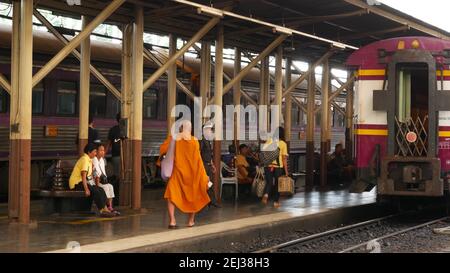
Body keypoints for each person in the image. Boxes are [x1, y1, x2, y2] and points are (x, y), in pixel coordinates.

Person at [160, 120, 210, 229]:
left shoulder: (174, 138)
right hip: (192, 173)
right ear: (190, 128)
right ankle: (191, 221)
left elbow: (165, 151)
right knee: (193, 196)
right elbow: (198, 159)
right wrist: (204, 174)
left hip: (178, 172)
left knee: (171, 195)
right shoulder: (195, 140)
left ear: (181, 128)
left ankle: (172, 220)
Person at [69, 143, 114, 217]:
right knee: (95, 191)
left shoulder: (89, 160)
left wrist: (93, 170)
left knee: (100, 189)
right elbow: (83, 176)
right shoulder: (84, 160)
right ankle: (102, 210)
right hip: (76, 183)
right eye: (95, 152)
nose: (96, 153)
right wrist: (86, 189)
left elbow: (89, 176)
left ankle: (105, 209)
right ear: (89, 152)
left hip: (82, 182)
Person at [261, 127, 289, 208]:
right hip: (278, 167)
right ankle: (276, 202)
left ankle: (266, 194)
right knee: (277, 184)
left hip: (268, 166)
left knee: (269, 182)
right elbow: (284, 159)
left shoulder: (269, 141)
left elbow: (263, 154)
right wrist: (286, 171)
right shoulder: (283, 144)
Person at [93, 143, 119, 215]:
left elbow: (103, 172)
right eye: (100, 150)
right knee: (105, 188)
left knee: (110, 186)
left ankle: (110, 207)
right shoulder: (94, 159)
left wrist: (105, 180)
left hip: (101, 180)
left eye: (103, 150)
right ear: (96, 151)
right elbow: (96, 173)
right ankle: (105, 208)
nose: (103, 152)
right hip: (96, 181)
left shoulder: (102, 160)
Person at [199, 122, 220, 208]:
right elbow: (199, 154)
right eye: (209, 129)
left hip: (207, 165)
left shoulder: (207, 141)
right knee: (206, 183)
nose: (211, 131)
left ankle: (210, 201)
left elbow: (208, 155)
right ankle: (209, 201)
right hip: (203, 165)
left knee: (208, 183)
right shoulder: (201, 140)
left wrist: (212, 165)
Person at [107, 113, 123, 184]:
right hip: (125, 156)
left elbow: (108, 143)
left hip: (115, 156)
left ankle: (117, 191)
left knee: (117, 175)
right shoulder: (130, 129)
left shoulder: (113, 129)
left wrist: (103, 154)